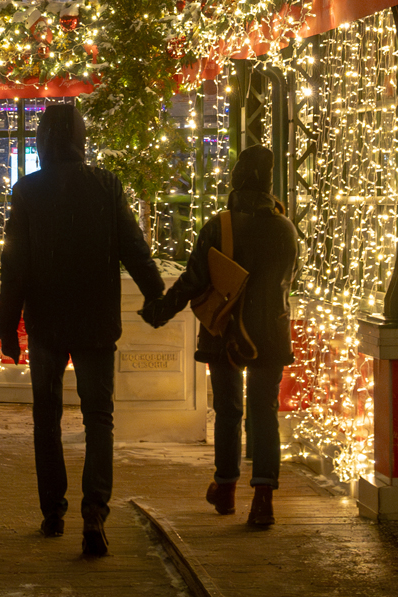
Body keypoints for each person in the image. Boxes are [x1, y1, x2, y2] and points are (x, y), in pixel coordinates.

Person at [0, 102, 166, 558]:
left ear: (42, 139)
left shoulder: (27, 191)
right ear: (80, 136)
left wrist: (7, 325)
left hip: (47, 322)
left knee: (46, 420)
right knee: (99, 419)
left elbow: (15, 267)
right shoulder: (106, 185)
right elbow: (134, 247)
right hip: (95, 321)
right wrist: (157, 295)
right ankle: (95, 512)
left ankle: (53, 512)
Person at [141, 145, 298, 529]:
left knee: (228, 411)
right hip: (270, 334)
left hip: (224, 331)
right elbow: (291, 279)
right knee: (264, 414)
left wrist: (160, 311)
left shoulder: (221, 224)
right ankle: (263, 499)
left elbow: (195, 280)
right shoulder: (285, 227)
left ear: (236, 178)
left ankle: (225, 488)